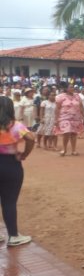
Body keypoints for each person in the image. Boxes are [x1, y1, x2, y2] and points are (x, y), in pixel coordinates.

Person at [0, 96, 35, 246]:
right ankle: (13, 236)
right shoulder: (15, 125)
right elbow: (31, 138)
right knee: (9, 201)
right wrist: (24, 154)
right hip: (10, 164)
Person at [54, 81, 84, 157]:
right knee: (66, 133)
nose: (72, 88)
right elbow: (57, 108)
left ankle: (73, 150)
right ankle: (64, 149)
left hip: (76, 117)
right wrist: (56, 119)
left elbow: (81, 106)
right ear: (66, 88)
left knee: (74, 133)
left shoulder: (77, 96)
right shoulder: (60, 96)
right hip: (64, 117)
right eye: (70, 87)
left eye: (73, 87)